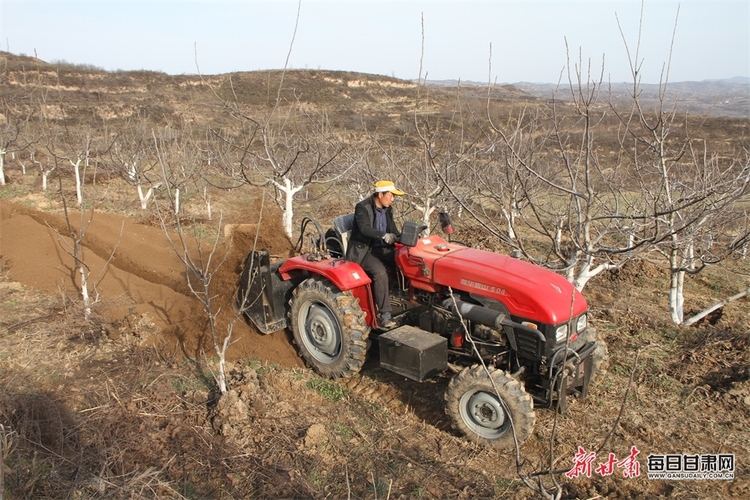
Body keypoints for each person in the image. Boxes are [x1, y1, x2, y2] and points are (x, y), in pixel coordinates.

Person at [346, 180, 404, 329]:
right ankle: (385, 316)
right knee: (380, 272)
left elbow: (394, 230)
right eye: (391, 195)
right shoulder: (362, 207)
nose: (393, 199)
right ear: (380, 194)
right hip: (365, 251)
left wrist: (406, 238)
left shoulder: (387, 209)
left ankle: (405, 299)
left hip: (383, 248)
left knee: (405, 261)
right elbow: (365, 229)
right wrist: (384, 235)